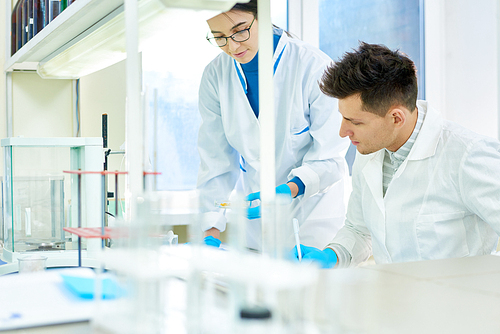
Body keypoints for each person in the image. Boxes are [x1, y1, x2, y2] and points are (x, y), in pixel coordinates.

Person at [292, 42, 500, 268]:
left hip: (456, 300)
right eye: (343, 118)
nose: (343, 132)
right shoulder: (370, 148)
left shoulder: (468, 156)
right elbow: (359, 230)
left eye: (355, 122)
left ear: (396, 118)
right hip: (392, 296)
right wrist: (332, 256)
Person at [197, 0, 349, 251]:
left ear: (262, 15)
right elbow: (215, 162)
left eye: (240, 30)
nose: (232, 46)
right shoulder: (215, 76)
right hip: (256, 230)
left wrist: (289, 190)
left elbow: (331, 157)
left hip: (311, 221)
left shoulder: (313, 66)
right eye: (219, 37)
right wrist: (210, 230)